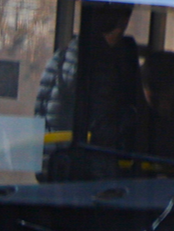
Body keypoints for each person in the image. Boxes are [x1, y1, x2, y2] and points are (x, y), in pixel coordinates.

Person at [33, 2, 143, 180]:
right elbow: (103, 129)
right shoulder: (100, 65)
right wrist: (133, 115)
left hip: (53, 167)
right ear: (123, 21)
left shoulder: (63, 55)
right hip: (87, 174)